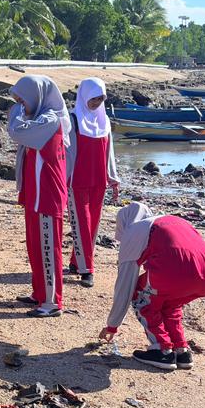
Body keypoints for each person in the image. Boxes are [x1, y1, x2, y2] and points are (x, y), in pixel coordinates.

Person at [99, 202, 205, 371]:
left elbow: (125, 286)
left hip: (176, 270)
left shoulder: (133, 232)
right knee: (170, 302)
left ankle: (162, 350)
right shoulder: (171, 220)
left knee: (140, 295)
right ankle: (182, 351)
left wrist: (112, 325)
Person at [7, 74, 69, 318]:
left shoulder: (50, 119)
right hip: (35, 193)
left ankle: (52, 301)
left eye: (23, 99)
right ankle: (40, 292)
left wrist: (14, 113)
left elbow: (17, 132)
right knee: (35, 246)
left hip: (46, 195)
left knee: (47, 248)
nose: (21, 103)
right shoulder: (41, 118)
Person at [66, 77, 120, 288]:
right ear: (84, 96)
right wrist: (63, 179)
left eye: (101, 98)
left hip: (99, 181)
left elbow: (110, 153)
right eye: (94, 98)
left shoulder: (104, 120)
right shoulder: (73, 119)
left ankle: (75, 260)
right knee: (81, 224)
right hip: (77, 180)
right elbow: (67, 152)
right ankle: (87, 269)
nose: (97, 102)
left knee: (92, 226)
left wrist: (113, 179)